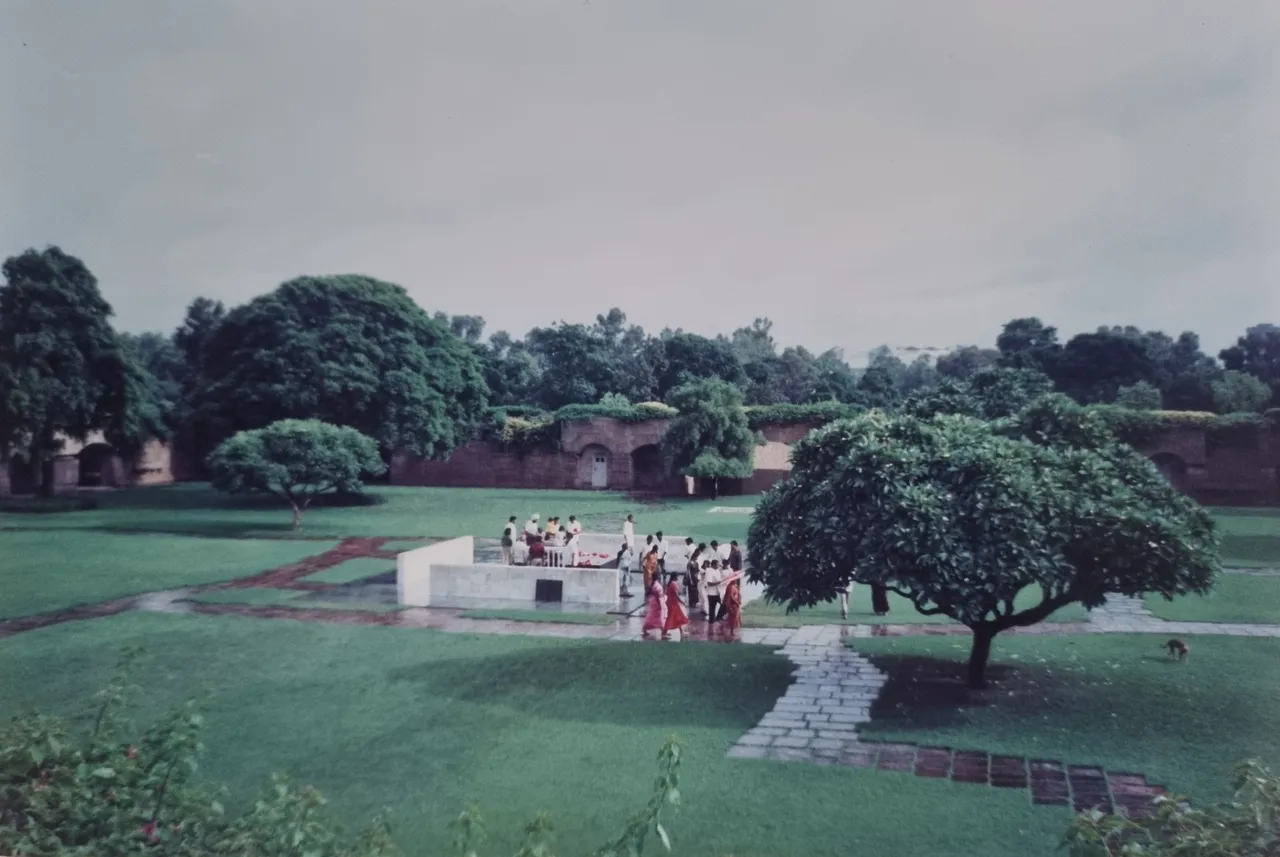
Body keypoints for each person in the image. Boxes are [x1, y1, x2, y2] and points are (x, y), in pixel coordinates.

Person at [662, 574, 689, 639]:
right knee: (671, 618)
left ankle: (681, 632)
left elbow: (667, 593)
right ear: (675, 577)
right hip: (673, 603)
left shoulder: (670, 584)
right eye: (677, 576)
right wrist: (682, 602)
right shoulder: (674, 584)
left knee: (678, 617)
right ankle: (664, 633)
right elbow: (676, 595)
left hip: (671, 602)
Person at [641, 573, 665, 639]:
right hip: (656, 602)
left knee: (652, 616)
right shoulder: (656, 585)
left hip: (653, 602)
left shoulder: (652, 584)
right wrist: (660, 604)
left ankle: (645, 628)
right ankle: (663, 631)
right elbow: (658, 595)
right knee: (659, 617)